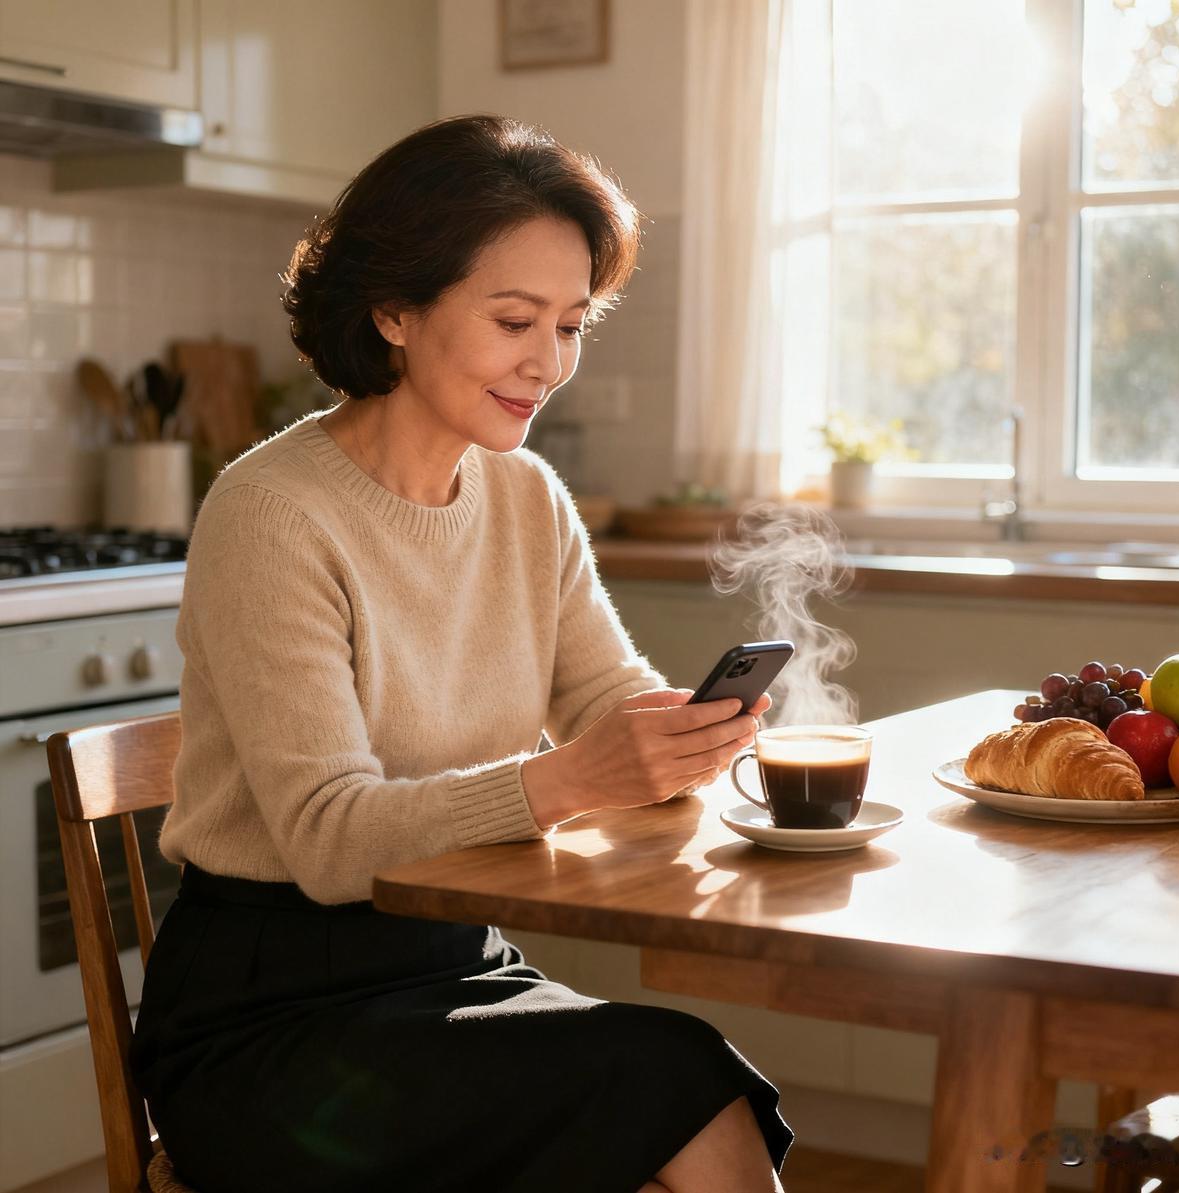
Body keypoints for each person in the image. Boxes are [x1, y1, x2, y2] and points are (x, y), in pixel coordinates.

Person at [131, 114, 793, 1193]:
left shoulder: (525, 496)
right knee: (666, 1074)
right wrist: (575, 776)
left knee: (672, 1074)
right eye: (514, 319)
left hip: (450, 963)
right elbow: (328, 839)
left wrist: (678, 734)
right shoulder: (271, 512)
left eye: (571, 324)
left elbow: (601, 695)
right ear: (393, 308)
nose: (548, 362)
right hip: (267, 1022)